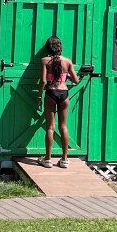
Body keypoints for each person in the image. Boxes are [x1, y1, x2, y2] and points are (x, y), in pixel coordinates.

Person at [37, 36, 81, 168]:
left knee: (50, 127)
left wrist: (39, 97)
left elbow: (43, 81)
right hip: (64, 93)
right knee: (63, 127)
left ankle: (47, 159)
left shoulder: (44, 61)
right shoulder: (67, 61)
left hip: (51, 93)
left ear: (48, 48)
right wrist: (66, 76)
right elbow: (76, 80)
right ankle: (64, 160)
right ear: (60, 47)